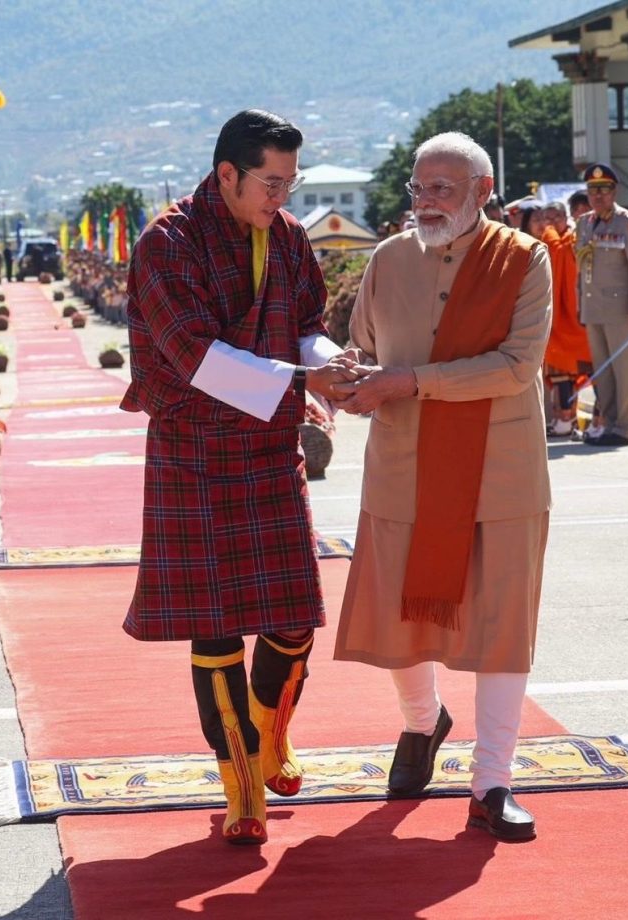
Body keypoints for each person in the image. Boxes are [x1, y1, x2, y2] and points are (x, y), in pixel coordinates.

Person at [120, 109, 358, 846]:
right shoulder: (167, 242)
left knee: (294, 616)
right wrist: (306, 382)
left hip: (270, 444)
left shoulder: (286, 235)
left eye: (290, 184)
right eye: (270, 183)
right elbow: (196, 358)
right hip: (194, 447)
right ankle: (241, 785)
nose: (281, 199)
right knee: (215, 624)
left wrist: (332, 362)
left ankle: (268, 733)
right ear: (227, 173)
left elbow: (308, 323)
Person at [331, 131, 552, 841]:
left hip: (501, 471)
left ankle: (492, 783)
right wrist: (344, 378)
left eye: (442, 189)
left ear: (483, 192)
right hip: (402, 465)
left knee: (503, 626)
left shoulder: (525, 259)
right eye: (418, 187)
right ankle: (423, 723)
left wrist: (408, 382)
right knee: (400, 614)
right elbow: (360, 347)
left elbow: (516, 366)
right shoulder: (389, 258)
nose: (425, 201)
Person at [575, 163, 628, 446]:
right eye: (593, 191)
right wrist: (580, 305)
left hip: (621, 310)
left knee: (623, 370)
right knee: (602, 372)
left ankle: (624, 428)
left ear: (614, 192)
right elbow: (581, 269)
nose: (598, 196)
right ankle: (608, 424)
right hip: (592, 307)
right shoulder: (584, 223)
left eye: (603, 190)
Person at [541, 200, 593, 437]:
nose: (552, 223)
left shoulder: (573, 239)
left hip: (577, 315)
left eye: (557, 217)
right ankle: (564, 419)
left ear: (565, 217)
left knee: (586, 370)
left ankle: (581, 418)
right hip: (556, 318)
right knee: (560, 372)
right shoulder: (547, 240)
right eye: (548, 218)